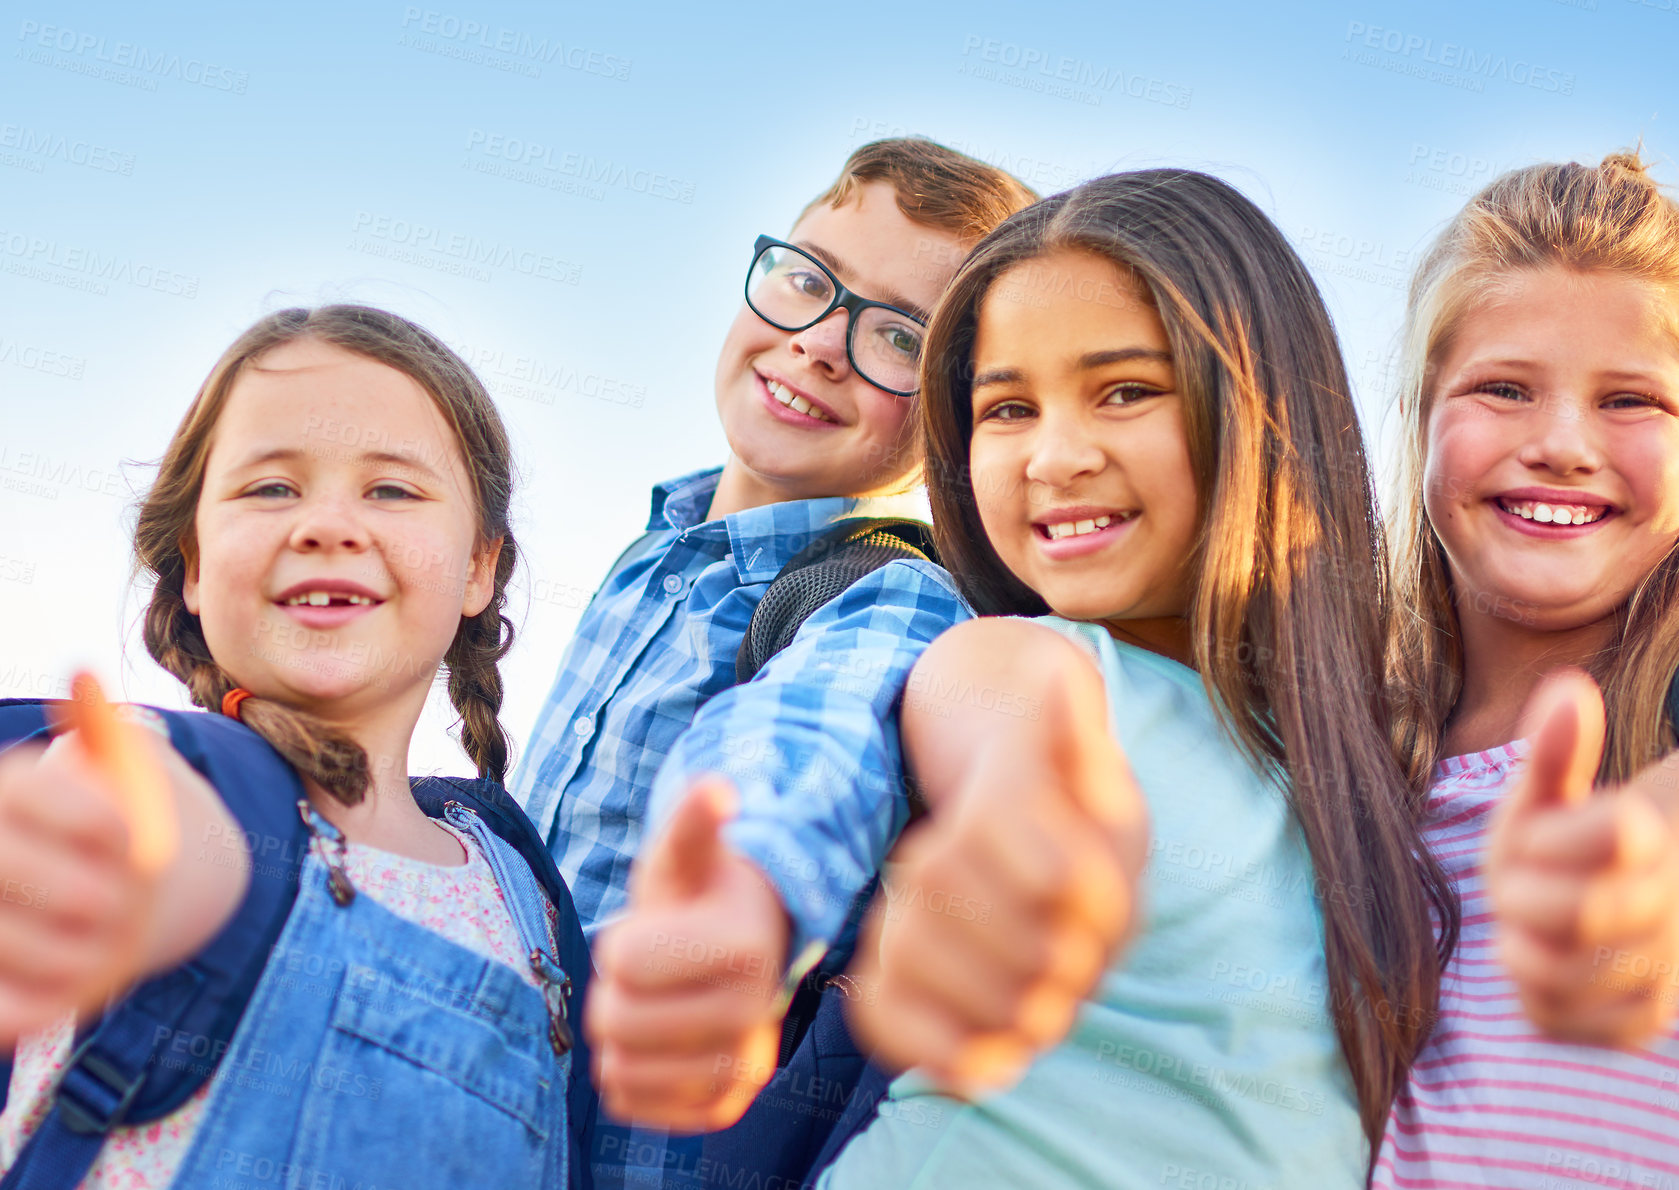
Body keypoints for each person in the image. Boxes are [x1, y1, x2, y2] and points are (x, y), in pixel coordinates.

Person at [822, 170, 1455, 1187]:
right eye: (1007, 407)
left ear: (1263, 410)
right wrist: (1003, 843)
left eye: (1124, 390)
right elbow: (1004, 737)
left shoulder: (1366, 756)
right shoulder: (1029, 659)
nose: (1055, 455)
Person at [510, 138, 1034, 1182]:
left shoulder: (889, 592)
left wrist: (739, 890)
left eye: (893, 334)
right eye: (804, 279)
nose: (819, 343)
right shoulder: (652, 551)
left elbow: (811, 739)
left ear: (949, 412)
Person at [0, 305, 593, 1189]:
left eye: (391, 490)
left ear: (478, 568)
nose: (325, 524)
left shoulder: (523, 893)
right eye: (271, 488)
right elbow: (162, 829)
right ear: (194, 565)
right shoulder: (168, 774)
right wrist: (86, 848)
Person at [1374, 151, 1679, 1189]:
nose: (1558, 443)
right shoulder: (1330, 752)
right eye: (1502, 388)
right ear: (1418, 414)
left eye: (1631, 400)